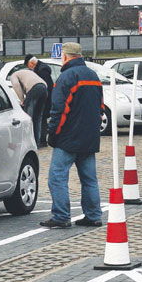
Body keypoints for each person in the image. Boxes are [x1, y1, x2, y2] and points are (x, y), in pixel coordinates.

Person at [41, 42, 104, 229]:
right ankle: (93, 215)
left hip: (68, 138)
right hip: (89, 137)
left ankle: (61, 216)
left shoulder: (66, 77)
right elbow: (100, 107)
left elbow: (59, 110)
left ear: (65, 56)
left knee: (57, 177)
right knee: (89, 179)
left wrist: (53, 133)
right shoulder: (93, 76)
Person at [10, 68, 47, 148]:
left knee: (28, 118)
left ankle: (28, 144)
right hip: (44, 87)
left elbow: (16, 85)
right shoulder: (25, 72)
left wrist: (22, 100)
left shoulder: (13, 75)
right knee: (38, 118)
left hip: (33, 88)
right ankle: (37, 143)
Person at [25, 54, 54, 147]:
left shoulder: (41, 71)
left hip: (44, 98)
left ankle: (41, 140)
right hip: (46, 97)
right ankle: (42, 140)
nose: (28, 68)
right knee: (42, 118)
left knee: (40, 117)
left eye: (28, 65)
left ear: (32, 63)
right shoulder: (42, 69)